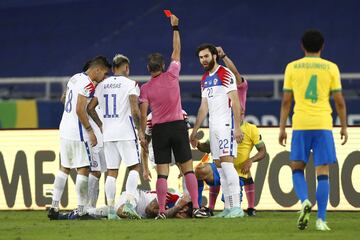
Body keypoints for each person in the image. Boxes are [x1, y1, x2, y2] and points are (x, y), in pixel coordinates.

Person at [139, 14, 207, 219]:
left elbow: (143, 115)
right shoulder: (173, 74)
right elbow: (176, 51)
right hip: (178, 126)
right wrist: (175, 28)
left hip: (159, 130)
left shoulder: (145, 89)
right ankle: (196, 207)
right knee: (188, 170)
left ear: (148, 69)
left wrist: (142, 134)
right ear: (163, 66)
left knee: (162, 174)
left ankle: (161, 211)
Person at [278, 29, 348, 231]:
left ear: (302, 46)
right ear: (322, 46)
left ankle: (304, 201)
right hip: (323, 124)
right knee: (323, 172)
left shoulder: (292, 67)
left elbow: (285, 102)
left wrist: (282, 128)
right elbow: (340, 102)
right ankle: (321, 220)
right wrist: (343, 126)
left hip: (300, 124)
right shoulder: (331, 68)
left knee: (297, 167)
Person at [48, 56, 111, 219]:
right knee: (83, 169)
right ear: (97, 69)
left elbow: (63, 99)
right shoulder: (88, 84)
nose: (103, 77)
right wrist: (90, 130)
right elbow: (79, 110)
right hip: (79, 133)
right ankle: (82, 211)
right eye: (103, 73)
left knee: (64, 168)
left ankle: (54, 207)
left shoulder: (75, 78)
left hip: (64, 130)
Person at [189, 43, 244, 218]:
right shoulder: (204, 79)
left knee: (228, 166)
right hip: (213, 127)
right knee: (220, 170)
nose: (203, 60)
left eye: (206, 56)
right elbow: (203, 107)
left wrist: (237, 127)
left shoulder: (225, 74)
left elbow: (235, 102)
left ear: (214, 56)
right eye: (200, 57)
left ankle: (237, 207)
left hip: (226, 126)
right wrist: (195, 130)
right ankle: (228, 208)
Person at [87, 54, 143, 219]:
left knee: (112, 172)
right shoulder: (131, 84)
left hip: (108, 134)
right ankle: (128, 204)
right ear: (126, 67)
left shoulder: (102, 85)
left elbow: (90, 108)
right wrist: (139, 130)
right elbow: (134, 110)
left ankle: (111, 209)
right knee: (134, 167)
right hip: (126, 132)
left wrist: (101, 125)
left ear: (112, 68)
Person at [195, 119, 267, 217]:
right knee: (199, 171)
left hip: (238, 171)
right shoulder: (220, 126)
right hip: (219, 168)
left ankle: (248, 207)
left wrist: (250, 160)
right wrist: (198, 144)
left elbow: (262, 151)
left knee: (229, 204)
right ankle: (197, 207)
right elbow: (207, 147)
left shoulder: (251, 129)